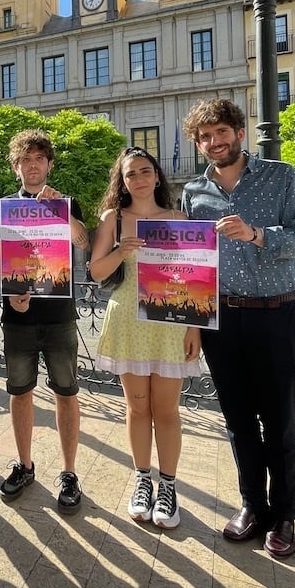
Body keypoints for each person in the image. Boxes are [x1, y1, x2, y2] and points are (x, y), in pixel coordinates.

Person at [180, 99, 295, 560]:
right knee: (238, 421)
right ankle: (252, 505)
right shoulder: (194, 192)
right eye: (204, 138)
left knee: (279, 421)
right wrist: (194, 322)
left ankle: (284, 516)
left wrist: (258, 234)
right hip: (221, 318)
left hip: (276, 314)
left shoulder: (282, 176)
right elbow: (193, 264)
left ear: (239, 131)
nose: (213, 143)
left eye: (220, 133)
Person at [89, 147, 202, 528]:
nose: (137, 179)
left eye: (143, 171)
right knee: (137, 408)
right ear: (121, 183)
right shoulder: (113, 219)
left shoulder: (180, 219)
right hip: (129, 323)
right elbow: (95, 271)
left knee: (167, 411)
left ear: (156, 175)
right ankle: (142, 477)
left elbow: (195, 279)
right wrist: (121, 250)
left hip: (170, 326)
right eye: (129, 174)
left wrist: (195, 329)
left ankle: (168, 485)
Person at [0, 129, 90, 513]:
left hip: (60, 315)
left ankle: (68, 472)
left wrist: (58, 210)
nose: (32, 166)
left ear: (48, 164)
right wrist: (9, 290)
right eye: (24, 160)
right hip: (18, 316)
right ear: (17, 167)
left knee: (67, 393)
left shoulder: (66, 202)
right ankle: (25, 464)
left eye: (38, 160)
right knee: (20, 392)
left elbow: (81, 242)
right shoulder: (3, 207)